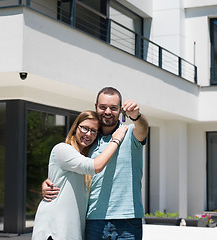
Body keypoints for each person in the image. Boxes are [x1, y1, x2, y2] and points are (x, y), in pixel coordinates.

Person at [42, 87, 149, 239]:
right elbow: (71, 167)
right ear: (96, 106)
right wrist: (50, 182)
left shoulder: (129, 132)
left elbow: (143, 128)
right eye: (103, 107)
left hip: (127, 219)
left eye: (113, 108)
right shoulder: (88, 140)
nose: (107, 111)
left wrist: (137, 116)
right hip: (94, 219)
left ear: (120, 110)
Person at [32, 110, 128, 240]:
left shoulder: (84, 157)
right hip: (55, 231)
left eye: (93, 131)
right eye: (84, 128)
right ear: (75, 127)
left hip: (72, 231)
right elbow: (95, 167)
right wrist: (116, 140)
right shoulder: (63, 149)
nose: (88, 134)